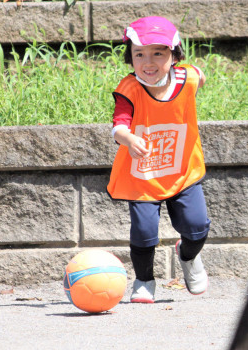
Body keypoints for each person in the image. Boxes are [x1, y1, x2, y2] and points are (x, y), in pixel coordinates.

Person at [106, 16, 210, 303]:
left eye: (158, 53)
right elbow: (118, 125)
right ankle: (144, 280)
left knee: (197, 226)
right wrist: (128, 139)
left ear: (174, 55)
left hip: (182, 170)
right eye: (139, 54)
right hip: (143, 175)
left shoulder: (187, 77)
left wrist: (197, 77)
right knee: (144, 232)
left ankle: (187, 257)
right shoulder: (129, 89)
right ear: (131, 58)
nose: (148, 62)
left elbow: (199, 76)